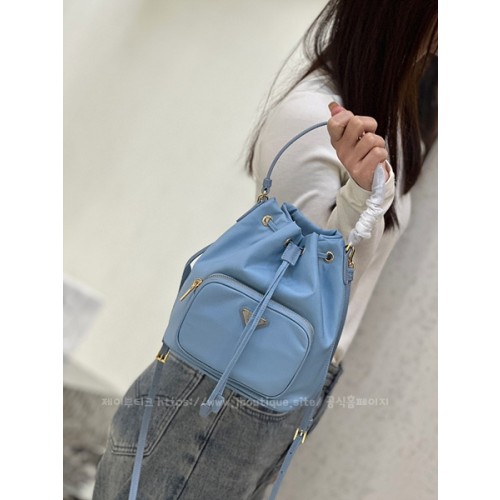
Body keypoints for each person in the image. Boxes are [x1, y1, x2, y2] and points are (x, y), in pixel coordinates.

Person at [92, 1, 437, 498]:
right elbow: (317, 281)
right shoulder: (315, 119)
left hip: (268, 389)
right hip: (228, 393)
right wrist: (363, 195)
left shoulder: (393, 126)